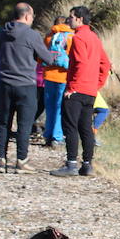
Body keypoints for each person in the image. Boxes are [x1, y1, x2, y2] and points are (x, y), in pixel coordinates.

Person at [51, 6, 111, 178]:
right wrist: (96, 84)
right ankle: (87, 164)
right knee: (86, 127)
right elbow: (105, 64)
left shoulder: (78, 38)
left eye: (71, 17)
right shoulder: (94, 37)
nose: (68, 20)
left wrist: (73, 87)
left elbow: (81, 63)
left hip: (77, 89)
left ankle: (70, 164)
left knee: (70, 126)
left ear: (79, 19)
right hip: (90, 90)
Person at [0, 3, 53, 172]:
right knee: (24, 124)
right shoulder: (32, 35)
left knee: (4, 124)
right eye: (33, 16)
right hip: (26, 84)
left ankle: (1, 159)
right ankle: (21, 160)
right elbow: (47, 59)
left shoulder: (1, 33)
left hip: (5, 83)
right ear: (27, 16)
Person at [42, 17, 72, 147]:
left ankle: (48, 135)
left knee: (50, 108)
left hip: (48, 76)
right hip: (64, 76)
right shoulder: (71, 37)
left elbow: (40, 57)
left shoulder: (48, 36)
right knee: (60, 108)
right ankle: (57, 136)